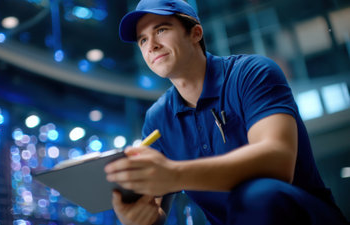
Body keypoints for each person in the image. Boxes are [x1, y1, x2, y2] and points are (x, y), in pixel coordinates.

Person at [104, 0, 349, 224]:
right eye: (143, 40)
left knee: (257, 195)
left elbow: (278, 161)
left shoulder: (252, 73)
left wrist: (175, 174)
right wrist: (138, 218)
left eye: (161, 30)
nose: (152, 45)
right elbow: (155, 210)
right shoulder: (158, 118)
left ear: (196, 33)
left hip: (306, 217)